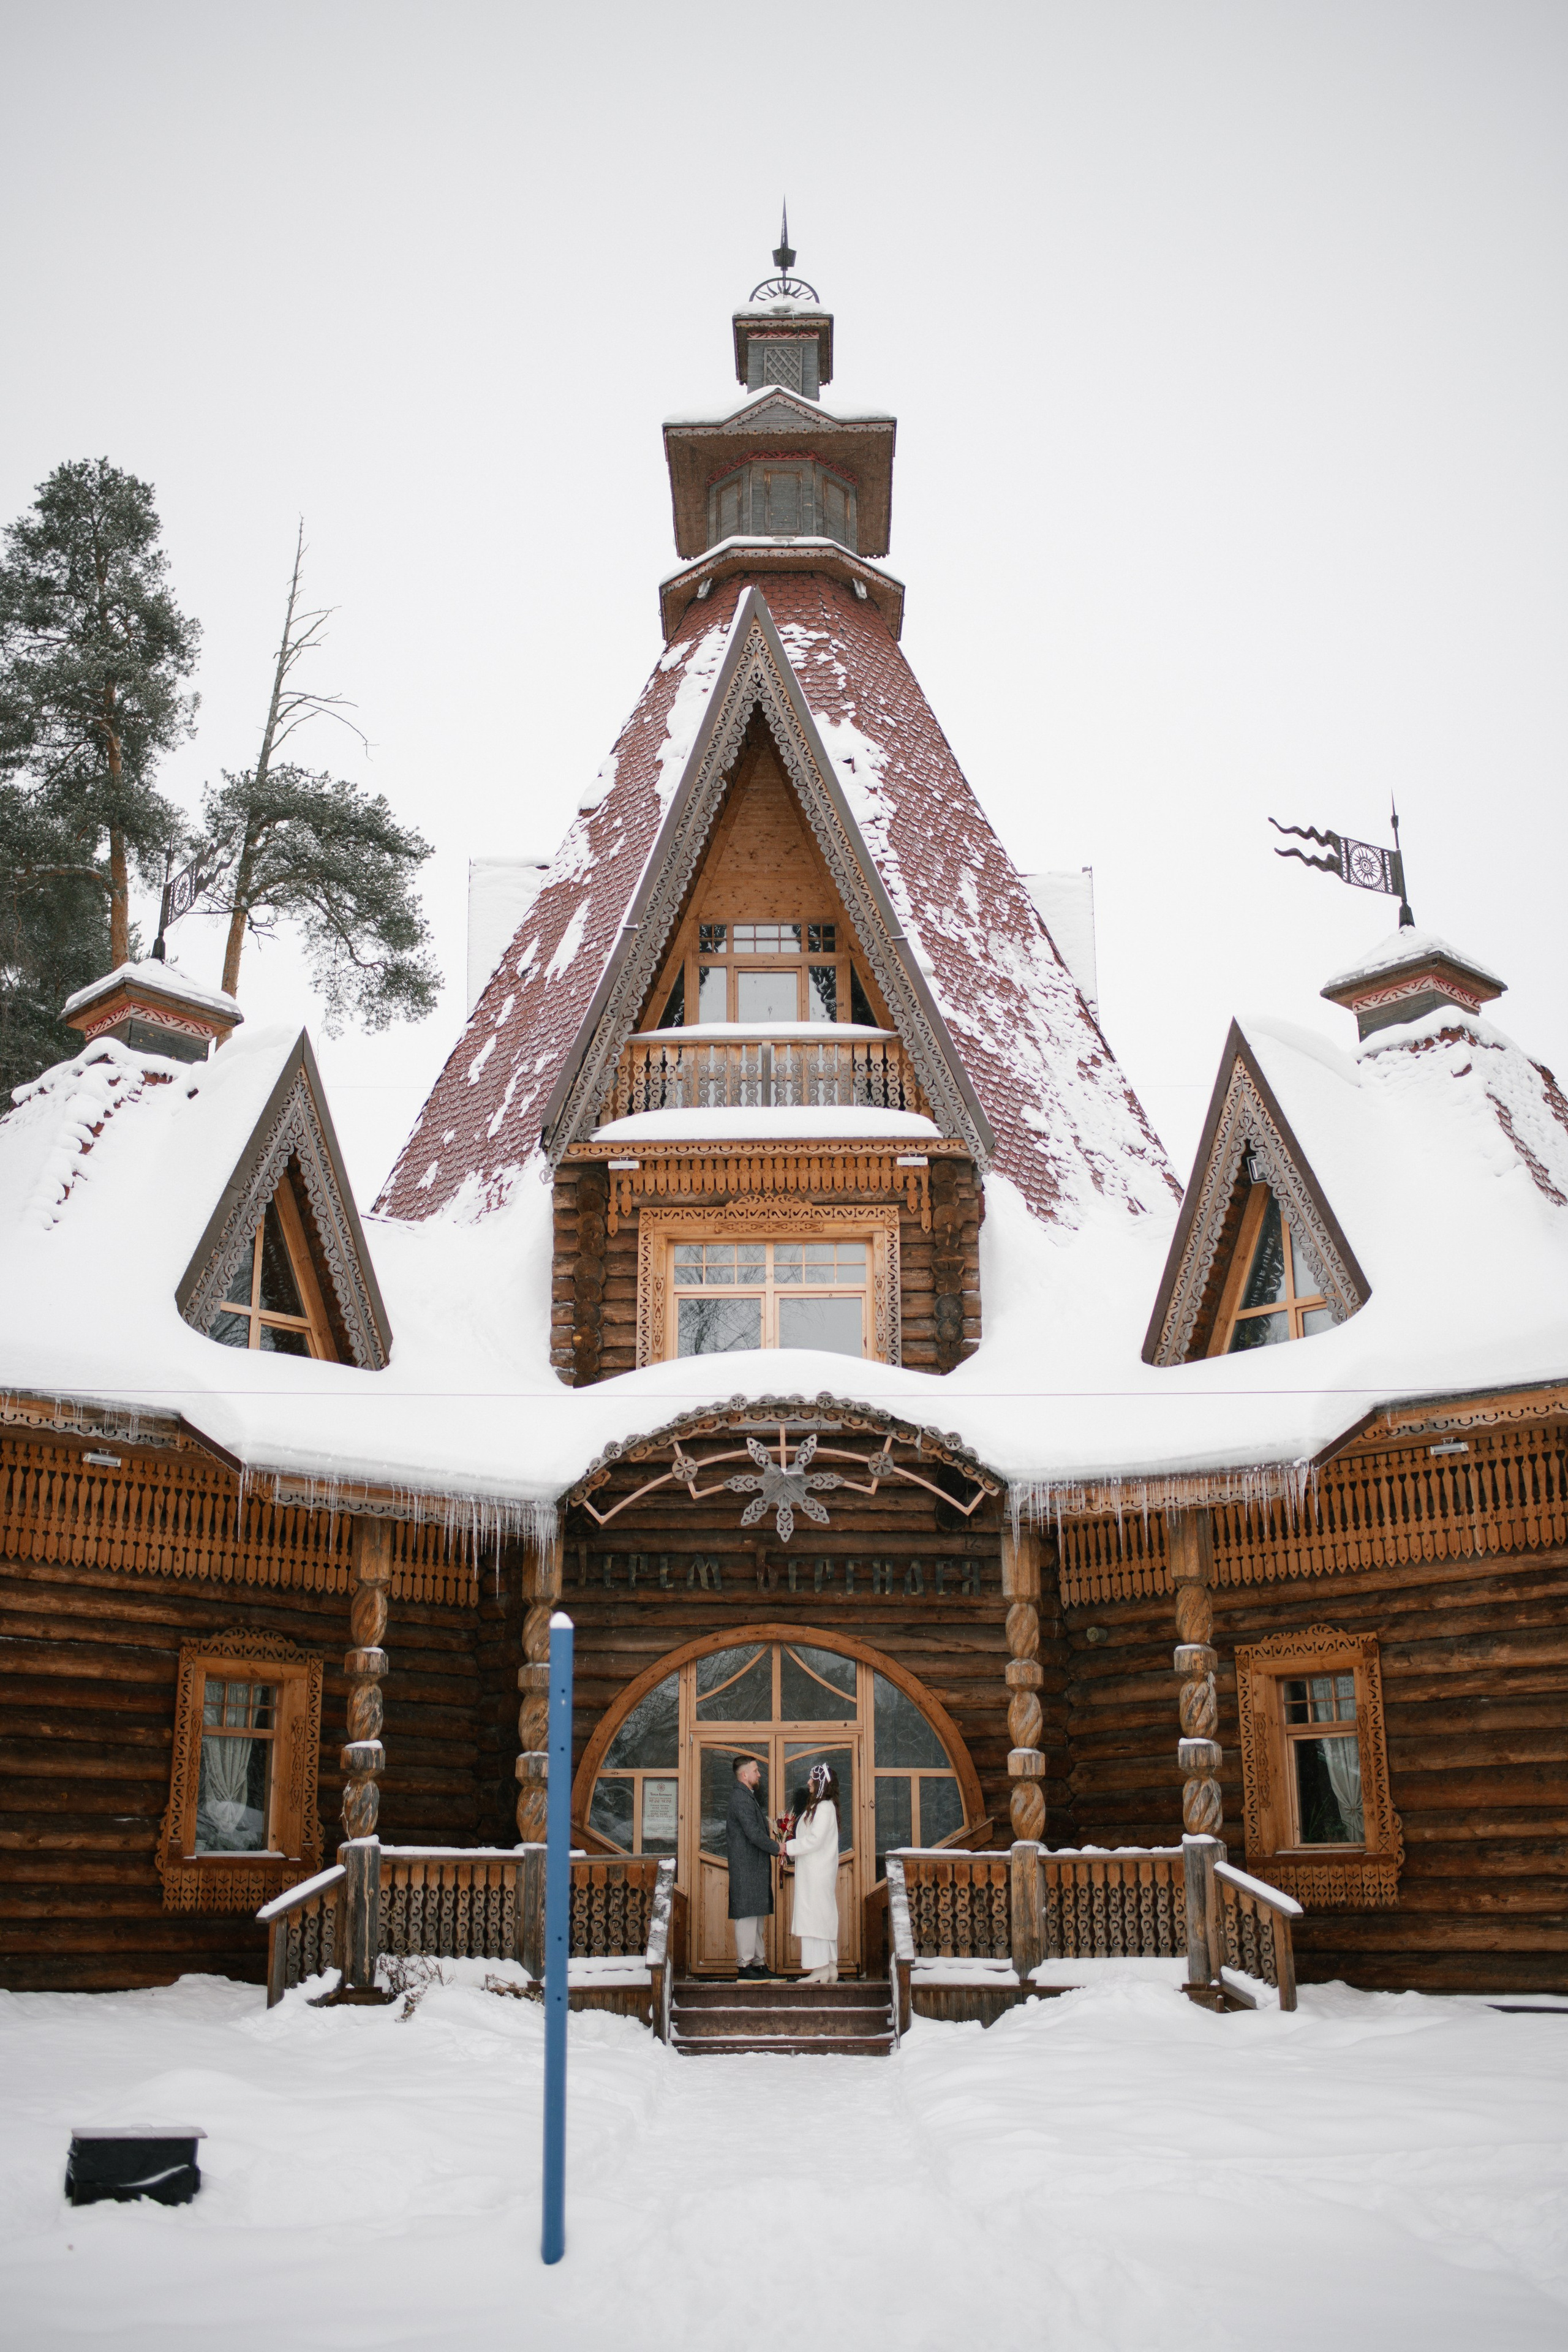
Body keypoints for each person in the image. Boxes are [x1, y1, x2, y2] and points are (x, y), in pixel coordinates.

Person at [785, 1761, 841, 1983]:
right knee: (818, 1917)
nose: (808, 1782)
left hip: (816, 1873)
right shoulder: (822, 1807)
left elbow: (815, 1840)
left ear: (821, 1784)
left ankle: (820, 1968)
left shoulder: (825, 1807)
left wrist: (787, 1847)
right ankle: (828, 1967)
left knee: (814, 1917)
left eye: (812, 1779)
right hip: (814, 1871)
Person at [725, 1754, 778, 1980]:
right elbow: (754, 1834)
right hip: (746, 1869)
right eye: (756, 1770)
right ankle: (745, 1966)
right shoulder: (741, 1798)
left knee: (756, 1918)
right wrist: (779, 1848)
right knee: (747, 1917)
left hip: (753, 1868)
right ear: (744, 1774)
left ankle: (759, 1963)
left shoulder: (747, 1796)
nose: (759, 1774)